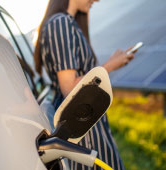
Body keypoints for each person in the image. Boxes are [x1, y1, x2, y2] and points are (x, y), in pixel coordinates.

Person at [34, 0, 136, 169]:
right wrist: (111, 64)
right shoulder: (61, 23)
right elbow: (69, 87)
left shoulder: (68, 24)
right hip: (84, 133)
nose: (97, 0)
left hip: (86, 128)